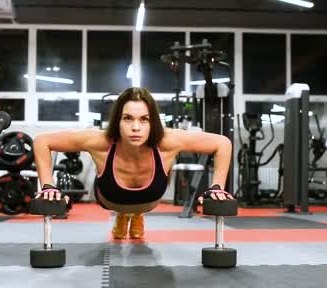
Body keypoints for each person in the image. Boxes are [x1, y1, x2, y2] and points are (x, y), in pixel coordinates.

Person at [34, 87, 234, 239]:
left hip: (149, 200)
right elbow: (42, 142)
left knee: (137, 206)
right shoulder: (99, 140)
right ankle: (123, 213)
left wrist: (217, 186)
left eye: (144, 119)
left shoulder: (169, 140)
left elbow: (222, 143)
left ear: (153, 122)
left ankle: (135, 214)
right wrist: (47, 185)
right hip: (110, 198)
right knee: (121, 204)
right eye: (128, 118)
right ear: (117, 121)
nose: (136, 127)